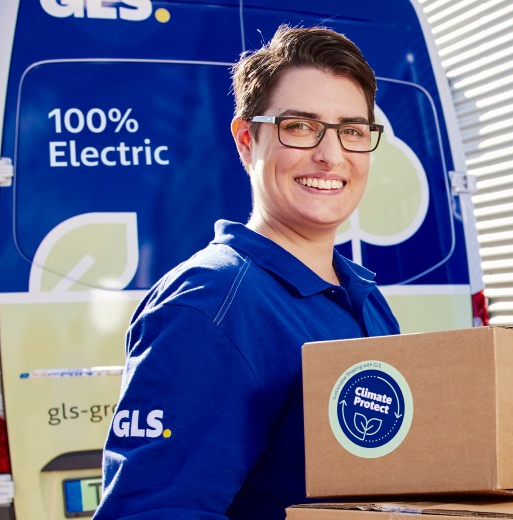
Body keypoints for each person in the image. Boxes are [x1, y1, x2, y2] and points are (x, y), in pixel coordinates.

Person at [96, 26, 400, 519]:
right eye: (300, 126)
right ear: (246, 140)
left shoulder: (363, 296)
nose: (331, 154)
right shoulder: (210, 305)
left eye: (352, 130)